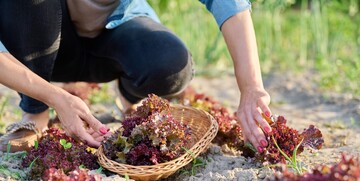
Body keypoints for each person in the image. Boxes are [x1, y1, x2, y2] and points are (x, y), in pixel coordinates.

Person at [0, 0, 272, 153]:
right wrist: (53, 96)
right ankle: (34, 114)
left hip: (112, 38)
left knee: (169, 62)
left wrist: (251, 86)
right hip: (37, 48)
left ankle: (127, 95)